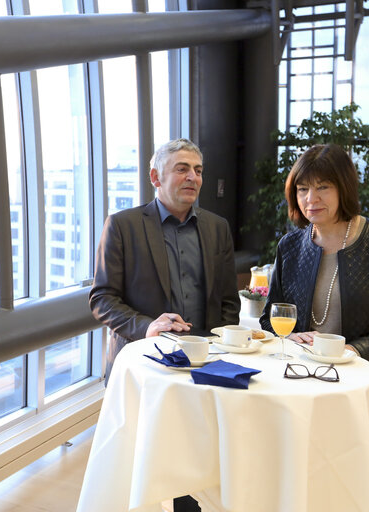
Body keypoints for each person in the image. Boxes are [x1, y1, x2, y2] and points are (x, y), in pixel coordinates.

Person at [89, 138, 240, 512]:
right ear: (155, 176)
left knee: (197, 467)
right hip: (144, 368)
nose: (193, 177)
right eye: (182, 168)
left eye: (199, 170)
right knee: (140, 472)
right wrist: (147, 326)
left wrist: (219, 352)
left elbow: (226, 301)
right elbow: (102, 298)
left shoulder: (217, 228)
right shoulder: (122, 226)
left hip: (203, 369)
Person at [261, 143, 369, 431]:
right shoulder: (289, 247)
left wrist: (354, 350)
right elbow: (270, 318)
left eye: (323, 187)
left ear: (344, 188)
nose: (311, 198)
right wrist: (293, 336)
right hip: (300, 389)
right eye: (302, 189)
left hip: (366, 391)